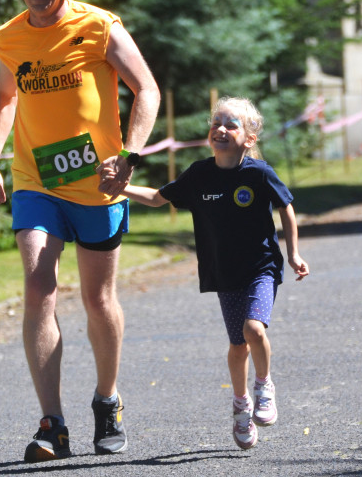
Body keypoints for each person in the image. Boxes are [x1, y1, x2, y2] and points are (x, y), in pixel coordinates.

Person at [0, 0, 160, 463]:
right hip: (36, 180)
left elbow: (145, 88)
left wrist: (129, 155)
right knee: (39, 287)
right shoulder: (8, 38)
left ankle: (108, 400)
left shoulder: (99, 26)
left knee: (98, 299)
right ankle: (52, 424)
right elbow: (5, 96)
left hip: (99, 185)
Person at [112, 96, 310, 451]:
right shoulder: (199, 174)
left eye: (231, 124)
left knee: (253, 329)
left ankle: (264, 385)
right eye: (216, 122)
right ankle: (240, 405)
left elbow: (286, 207)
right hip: (223, 272)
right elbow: (158, 198)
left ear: (249, 138)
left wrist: (292, 253)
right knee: (237, 347)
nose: (220, 129)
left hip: (261, 267)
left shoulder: (259, 173)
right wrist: (118, 188)